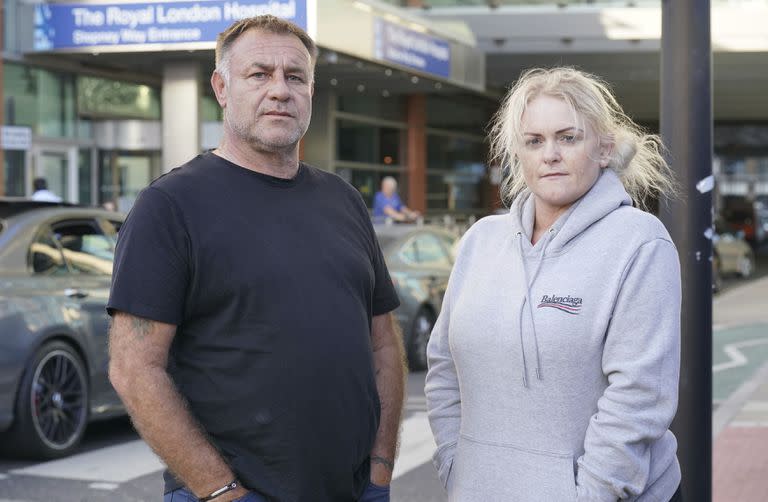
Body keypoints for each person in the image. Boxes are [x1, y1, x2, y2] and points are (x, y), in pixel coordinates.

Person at [107, 15, 406, 502]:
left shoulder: (344, 201)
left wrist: (379, 471)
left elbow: (384, 344)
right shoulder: (170, 206)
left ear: (311, 91)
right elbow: (134, 368)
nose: (280, 90)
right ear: (221, 88)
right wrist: (223, 492)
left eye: (295, 77)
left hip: (351, 490)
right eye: (259, 74)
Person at [425, 67, 682, 502]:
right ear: (517, 154)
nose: (550, 155)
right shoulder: (480, 242)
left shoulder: (640, 242)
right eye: (534, 141)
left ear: (603, 149)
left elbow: (638, 399)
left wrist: (589, 494)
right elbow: (443, 367)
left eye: (568, 137)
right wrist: (456, 463)